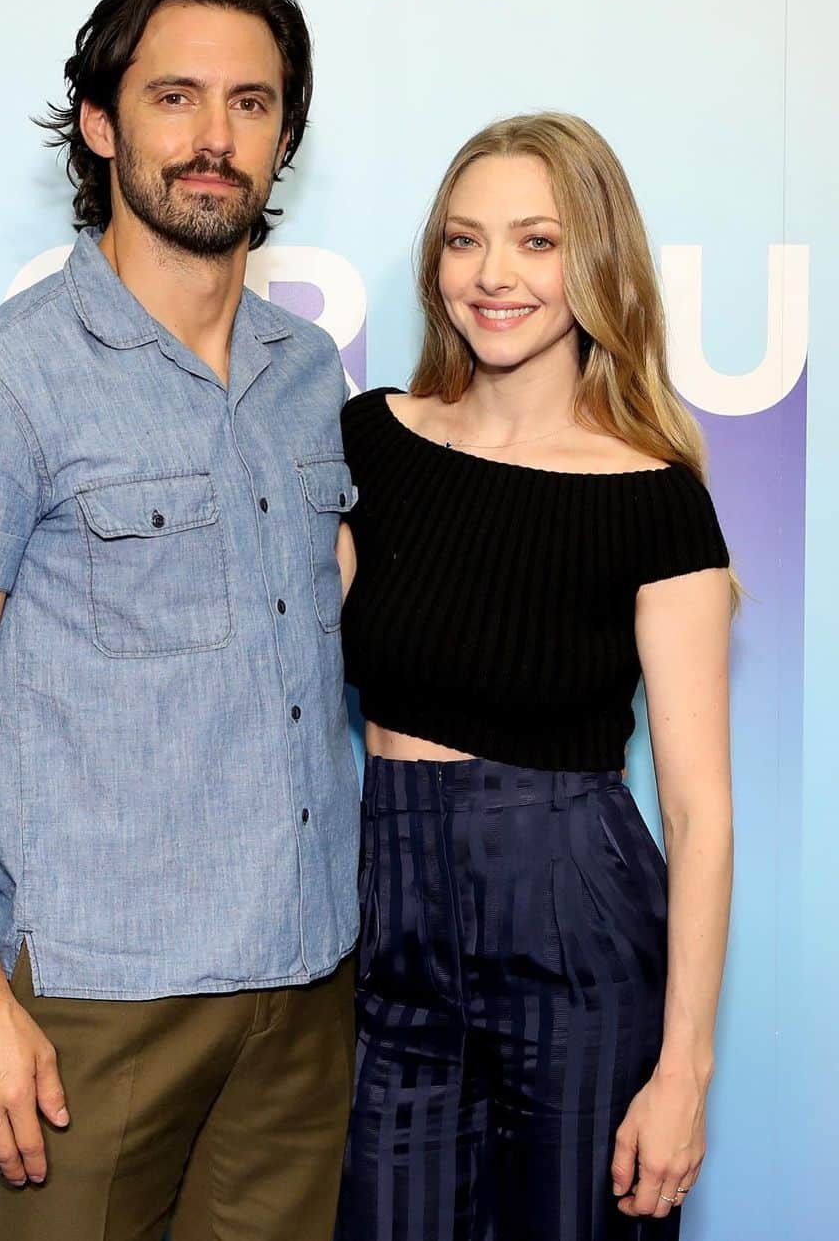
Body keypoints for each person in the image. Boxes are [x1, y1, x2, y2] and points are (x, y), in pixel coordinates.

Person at [0, 0, 359, 1241]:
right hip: (98, 999)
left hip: (306, 985)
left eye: (251, 103)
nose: (215, 137)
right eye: (175, 96)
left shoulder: (314, 372)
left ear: (283, 135)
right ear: (101, 123)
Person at [335, 112, 734, 1240]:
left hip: (577, 926)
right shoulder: (372, 442)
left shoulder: (653, 495)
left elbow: (700, 813)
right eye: (464, 241)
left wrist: (684, 1070)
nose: (493, 274)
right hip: (387, 924)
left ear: (595, 261)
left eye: (536, 241)